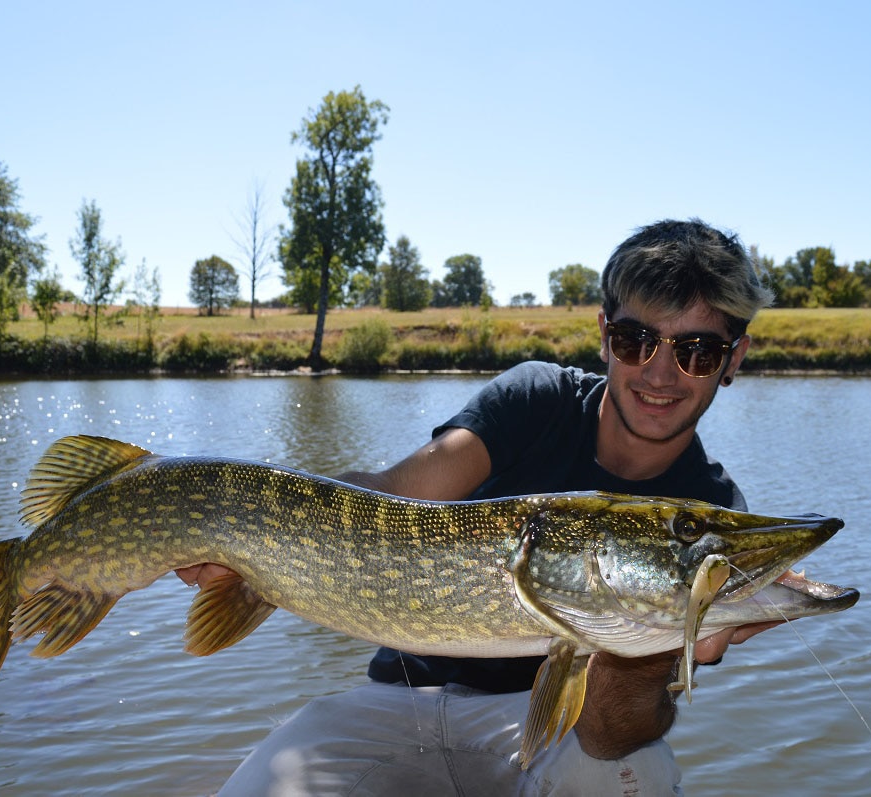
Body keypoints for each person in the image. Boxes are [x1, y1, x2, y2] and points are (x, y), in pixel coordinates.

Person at [178, 218, 778, 796]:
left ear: (734, 359)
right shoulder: (537, 400)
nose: (661, 372)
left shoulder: (708, 514)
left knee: (634, 777)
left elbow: (612, 732)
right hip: (399, 701)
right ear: (604, 335)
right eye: (635, 340)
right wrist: (259, 539)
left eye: (697, 351)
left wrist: (658, 652)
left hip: (556, 732)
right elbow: (385, 495)